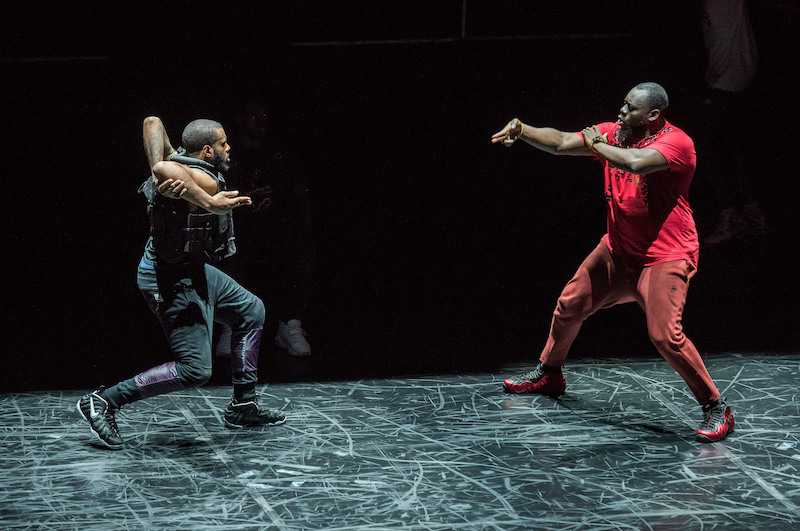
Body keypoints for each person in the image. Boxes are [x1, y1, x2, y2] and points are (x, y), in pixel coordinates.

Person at [491, 82, 734, 443]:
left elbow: (635, 162)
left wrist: (597, 144)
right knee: (569, 306)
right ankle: (550, 374)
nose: (621, 112)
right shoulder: (612, 135)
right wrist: (523, 130)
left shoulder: (677, 144)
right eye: (622, 104)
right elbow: (559, 143)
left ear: (653, 115)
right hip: (619, 250)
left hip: (665, 255)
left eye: (630, 108)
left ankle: (716, 407)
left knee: (665, 335)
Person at [77, 116, 286, 450]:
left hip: (194, 270)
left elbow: (151, 122)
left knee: (251, 310)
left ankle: (243, 406)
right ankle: (103, 400)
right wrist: (211, 203)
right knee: (195, 370)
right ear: (206, 150)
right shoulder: (202, 180)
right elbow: (162, 172)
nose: (229, 149)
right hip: (167, 278)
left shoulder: (182, 162)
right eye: (223, 144)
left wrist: (160, 167)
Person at [217, 101, 316, 358]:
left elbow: (299, 193)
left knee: (302, 250)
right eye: (253, 115)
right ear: (239, 118)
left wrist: (307, 231)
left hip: (276, 227)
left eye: (264, 114)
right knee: (229, 251)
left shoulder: (280, 151)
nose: (261, 120)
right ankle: (231, 326)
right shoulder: (225, 153)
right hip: (237, 228)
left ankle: (290, 326)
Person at [699, 0, 769, 245]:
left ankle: (732, 215)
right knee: (728, 147)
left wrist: (711, 80)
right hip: (731, 79)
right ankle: (752, 215)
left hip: (726, 81)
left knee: (711, 147)